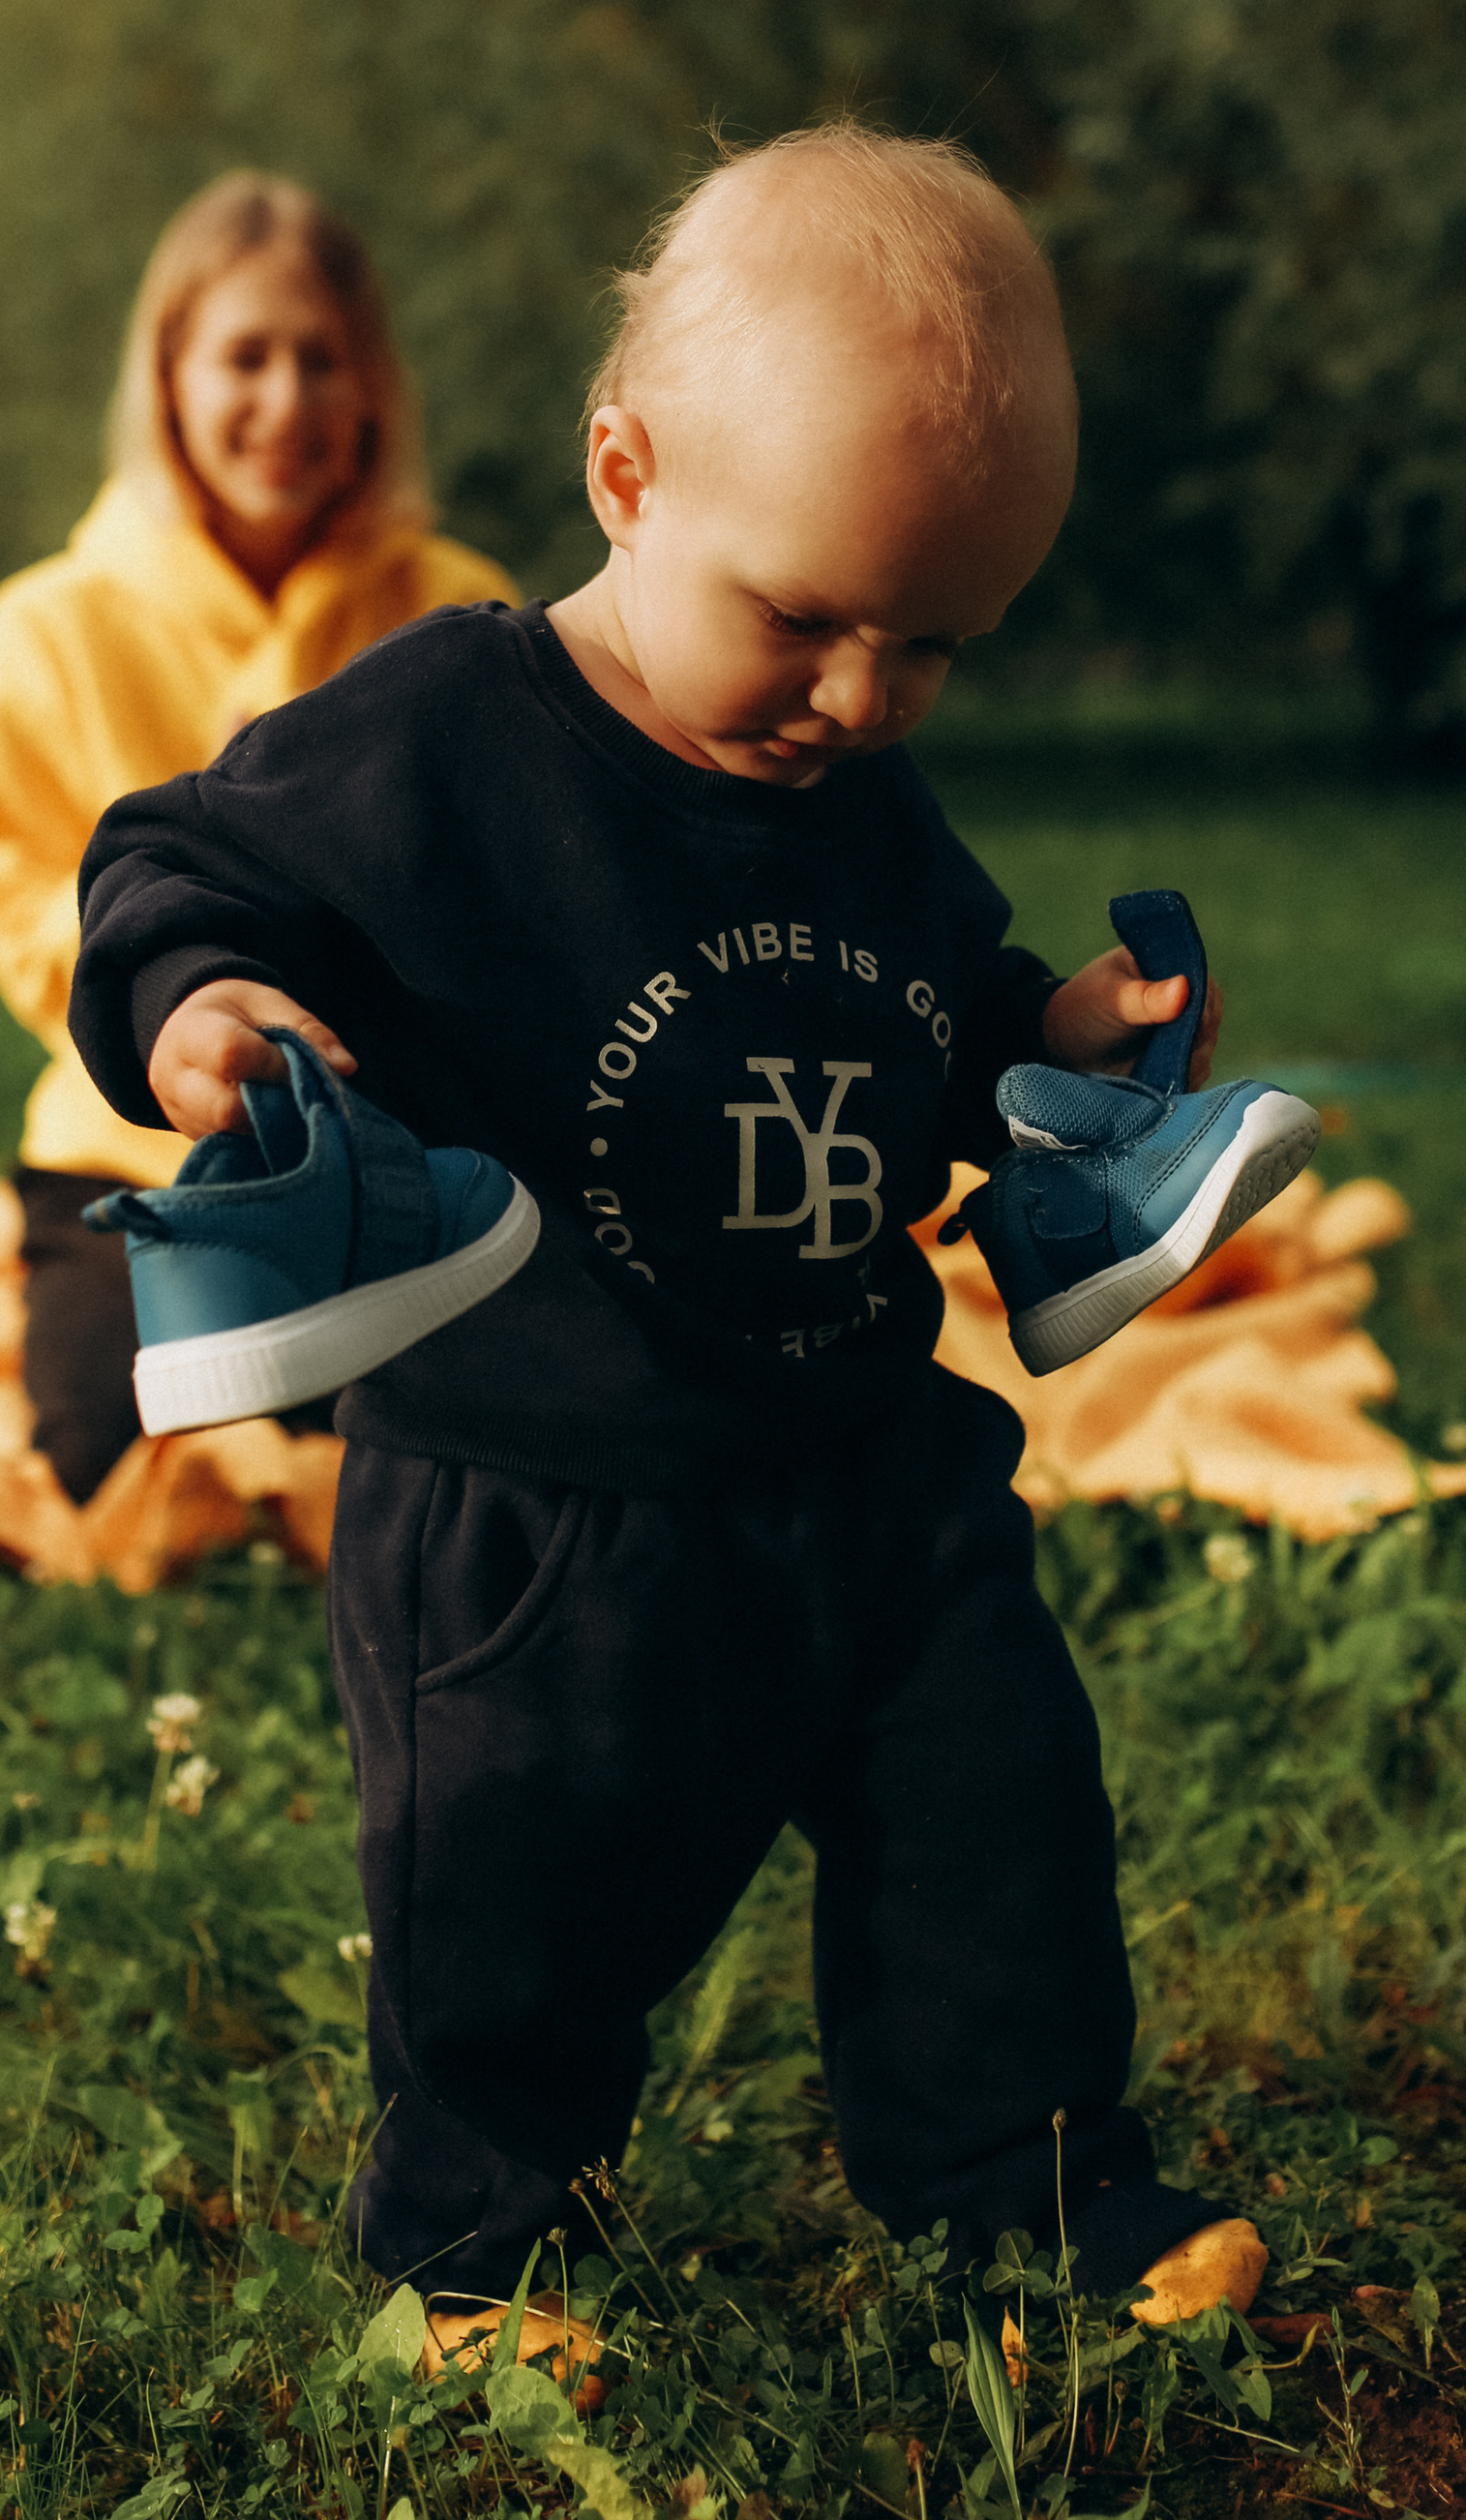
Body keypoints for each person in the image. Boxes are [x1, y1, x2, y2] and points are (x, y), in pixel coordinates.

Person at [66, 124, 1267, 2352]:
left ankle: (1025, 2187)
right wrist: (205, 1014)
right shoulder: (443, 738)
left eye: (934, 646)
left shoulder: (851, 780)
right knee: (516, 1900)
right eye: (803, 618)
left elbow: (921, 1015)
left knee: (993, 1819)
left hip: (853, 1454)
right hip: (542, 1489)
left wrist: (1054, 1035)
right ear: (624, 477)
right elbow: (173, 858)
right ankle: (474, 2249)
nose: (859, 698)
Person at [0, 173, 513, 1508]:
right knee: (108, 1448)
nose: (287, 402)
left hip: (404, 1121)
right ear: (169, 378)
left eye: (324, 359)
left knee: (464, 1425)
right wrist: (170, 1006)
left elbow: (512, 881)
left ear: (375, 386)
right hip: (133, 1134)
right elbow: (27, 892)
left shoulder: (461, 611)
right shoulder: (48, 625)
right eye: (245, 357)